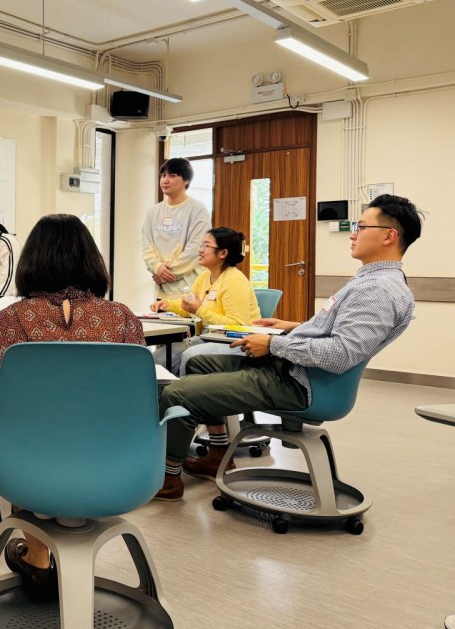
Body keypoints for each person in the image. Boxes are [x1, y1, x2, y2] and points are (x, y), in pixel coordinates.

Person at [156, 194, 424, 502]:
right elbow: (340, 334)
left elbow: (340, 353)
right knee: (199, 363)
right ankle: (218, 454)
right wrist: (291, 326)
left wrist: (273, 344)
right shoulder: (374, 282)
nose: (353, 233)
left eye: (361, 226)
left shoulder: (377, 290)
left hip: (299, 382)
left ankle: (168, 479)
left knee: (177, 393)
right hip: (296, 370)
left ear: (389, 236)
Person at [0, 213, 145, 601]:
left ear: (32, 260)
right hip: (116, 464)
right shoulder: (122, 318)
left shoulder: (10, 320)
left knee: (20, 436)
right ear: (91, 260)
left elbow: (2, 404)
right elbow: (136, 401)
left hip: (29, 468)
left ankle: (36, 558)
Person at [149, 227, 260, 374]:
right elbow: (190, 307)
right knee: (156, 359)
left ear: (223, 253)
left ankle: (181, 389)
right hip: (207, 338)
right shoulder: (204, 276)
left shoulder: (234, 280)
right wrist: (167, 304)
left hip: (235, 343)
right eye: (201, 245)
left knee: (190, 356)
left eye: (206, 246)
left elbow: (238, 325)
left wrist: (199, 310)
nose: (200, 250)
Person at [141, 158, 210, 298]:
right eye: (163, 175)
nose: (165, 180)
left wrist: (166, 273)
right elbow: (146, 246)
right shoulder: (153, 212)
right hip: (162, 291)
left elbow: (195, 249)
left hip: (190, 288)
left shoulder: (197, 209)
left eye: (172, 176)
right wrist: (157, 267)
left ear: (186, 180)